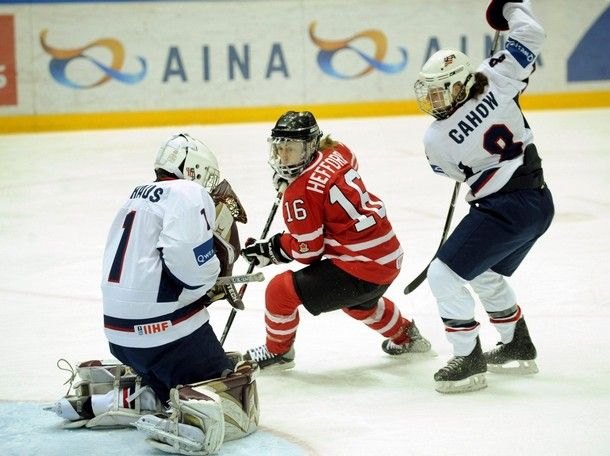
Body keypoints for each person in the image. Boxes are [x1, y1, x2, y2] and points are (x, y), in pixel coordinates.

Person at [51, 133, 260, 454]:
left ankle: (114, 399)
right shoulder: (189, 193)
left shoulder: (135, 197)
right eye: (206, 174)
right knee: (233, 392)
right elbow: (187, 262)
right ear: (192, 170)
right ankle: (189, 422)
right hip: (169, 338)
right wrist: (212, 278)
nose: (207, 184)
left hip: (121, 339)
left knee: (164, 375)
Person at [413, 0, 554, 393]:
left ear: (459, 85)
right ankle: (517, 345)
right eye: (431, 94)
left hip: (504, 208)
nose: (434, 102)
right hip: (539, 203)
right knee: (484, 272)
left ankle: (468, 358)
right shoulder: (495, 76)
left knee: (444, 274)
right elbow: (531, 35)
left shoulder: (436, 138)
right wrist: (512, 7)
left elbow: (453, 173)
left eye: (441, 93)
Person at [240, 111, 431, 370]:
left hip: (362, 267)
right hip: (388, 256)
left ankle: (278, 352)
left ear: (309, 147)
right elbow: (348, 163)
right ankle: (406, 335)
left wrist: (273, 248)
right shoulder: (338, 151)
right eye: (280, 148)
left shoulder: (299, 194)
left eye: (292, 149)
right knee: (358, 305)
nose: (284, 157)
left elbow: (309, 252)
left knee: (280, 290)